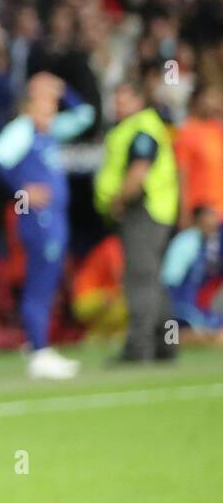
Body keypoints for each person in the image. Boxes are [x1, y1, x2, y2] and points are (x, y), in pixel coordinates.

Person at [0, 72, 93, 378]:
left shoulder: (49, 132)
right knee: (39, 285)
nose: (51, 112)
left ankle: (38, 346)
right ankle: (39, 351)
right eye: (45, 105)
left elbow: (86, 116)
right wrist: (22, 188)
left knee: (47, 283)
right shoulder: (23, 130)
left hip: (54, 217)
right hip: (39, 219)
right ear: (30, 107)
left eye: (53, 106)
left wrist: (63, 88)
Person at [94, 79, 180, 364]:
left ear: (139, 100)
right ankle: (166, 345)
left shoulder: (142, 127)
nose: (119, 104)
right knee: (151, 279)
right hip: (153, 211)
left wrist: (118, 200)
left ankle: (138, 348)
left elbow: (138, 171)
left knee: (139, 280)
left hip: (143, 210)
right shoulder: (133, 126)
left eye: (125, 98)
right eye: (116, 98)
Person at [161, 205, 223, 339]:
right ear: (198, 218)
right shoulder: (186, 241)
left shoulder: (208, 242)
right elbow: (170, 280)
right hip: (178, 302)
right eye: (210, 215)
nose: (215, 220)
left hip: (195, 303)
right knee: (182, 333)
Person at [173, 85, 223, 227]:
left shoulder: (217, 129)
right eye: (211, 97)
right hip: (201, 210)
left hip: (219, 209)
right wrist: (184, 213)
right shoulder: (188, 131)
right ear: (199, 100)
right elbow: (182, 174)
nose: (215, 102)